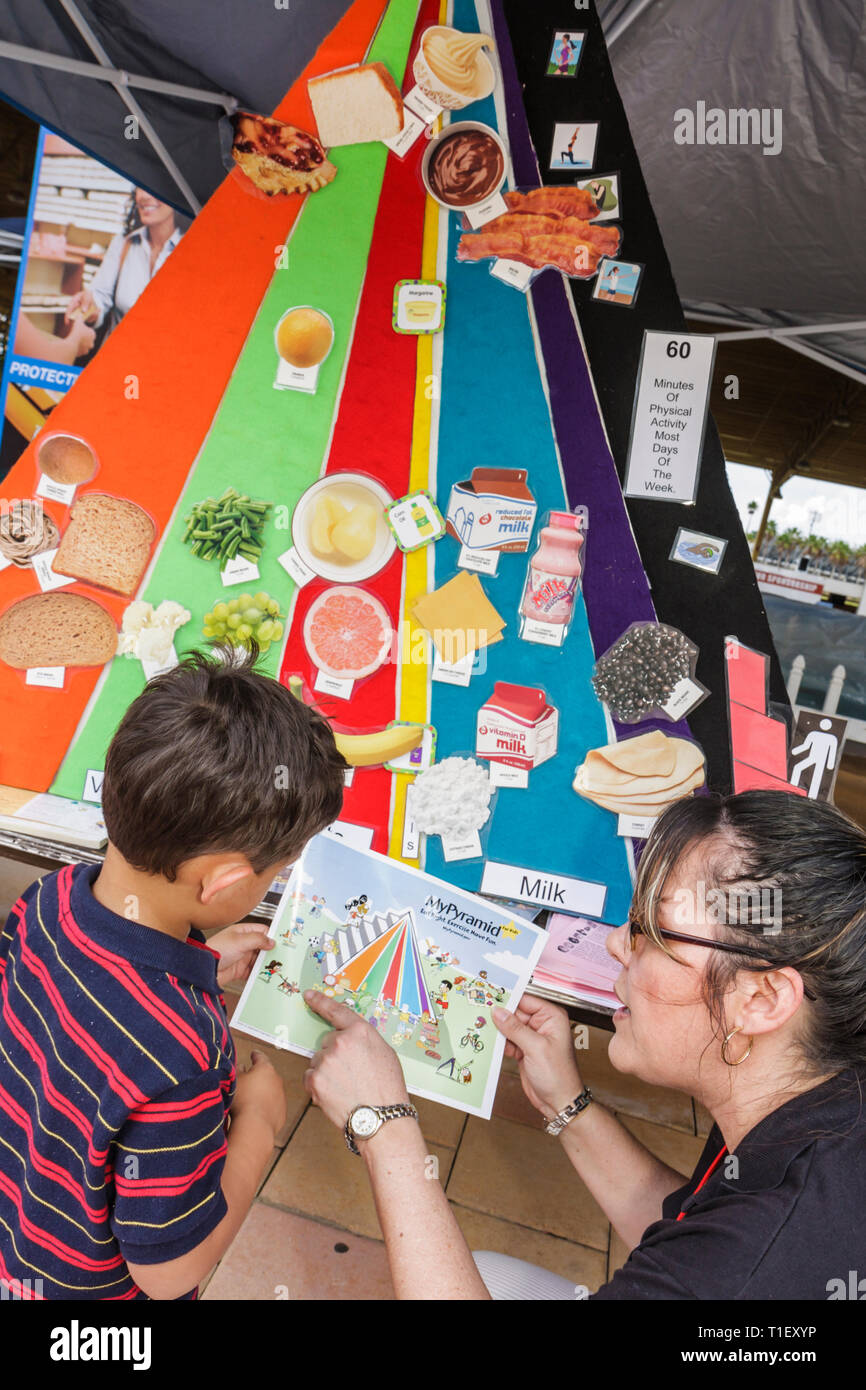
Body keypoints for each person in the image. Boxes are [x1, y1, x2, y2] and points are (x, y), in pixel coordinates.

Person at [303, 790, 866, 1299]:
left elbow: (712, 1261)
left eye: (654, 929)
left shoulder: (740, 1273)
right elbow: (689, 1221)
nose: (619, 944)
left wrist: (384, 1127)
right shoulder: (806, 1082)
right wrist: (566, 1105)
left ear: (763, 999)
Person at [0, 646, 346, 1300]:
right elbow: (169, 1271)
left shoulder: (52, 899)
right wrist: (259, 1125)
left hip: (20, 1233)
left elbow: (82, 1015)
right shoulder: (181, 1052)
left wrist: (196, 972)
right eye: (277, 873)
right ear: (225, 884)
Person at [65, 188, 184, 337]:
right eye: (141, 187)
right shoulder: (123, 243)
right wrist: (89, 306)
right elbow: (100, 295)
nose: (144, 196)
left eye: (154, 188)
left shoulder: (196, 251)